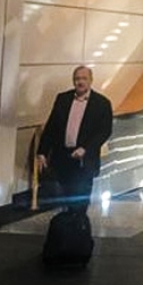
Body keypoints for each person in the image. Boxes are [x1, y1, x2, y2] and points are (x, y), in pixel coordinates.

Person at [36, 66, 113, 213]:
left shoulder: (102, 104)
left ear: (91, 80)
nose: (80, 82)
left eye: (84, 79)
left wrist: (86, 149)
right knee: (66, 200)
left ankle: (79, 229)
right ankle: (67, 230)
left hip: (84, 161)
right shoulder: (62, 99)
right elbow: (51, 127)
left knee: (80, 202)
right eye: (77, 79)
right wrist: (42, 152)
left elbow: (104, 131)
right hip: (63, 159)